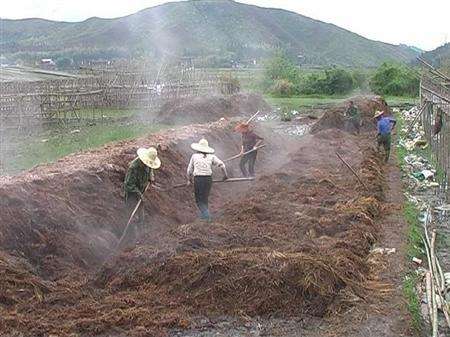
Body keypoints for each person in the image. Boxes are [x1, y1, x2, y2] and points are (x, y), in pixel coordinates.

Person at [123, 146, 161, 238]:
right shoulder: (133, 168)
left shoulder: (148, 164)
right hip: (132, 194)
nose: (149, 165)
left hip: (141, 191)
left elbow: (150, 168)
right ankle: (132, 236)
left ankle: (141, 236)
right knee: (132, 216)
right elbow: (128, 185)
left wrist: (151, 176)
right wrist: (139, 194)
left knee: (141, 216)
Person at [187, 138, 227, 220]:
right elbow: (222, 165)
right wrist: (225, 176)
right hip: (208, 179)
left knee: (199, 201)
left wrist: (189, 180)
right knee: (205, 198)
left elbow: (189, 170)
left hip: (198, 179)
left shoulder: (194, 156)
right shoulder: (211, 156)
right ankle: (204, 217)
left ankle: (207, 217)